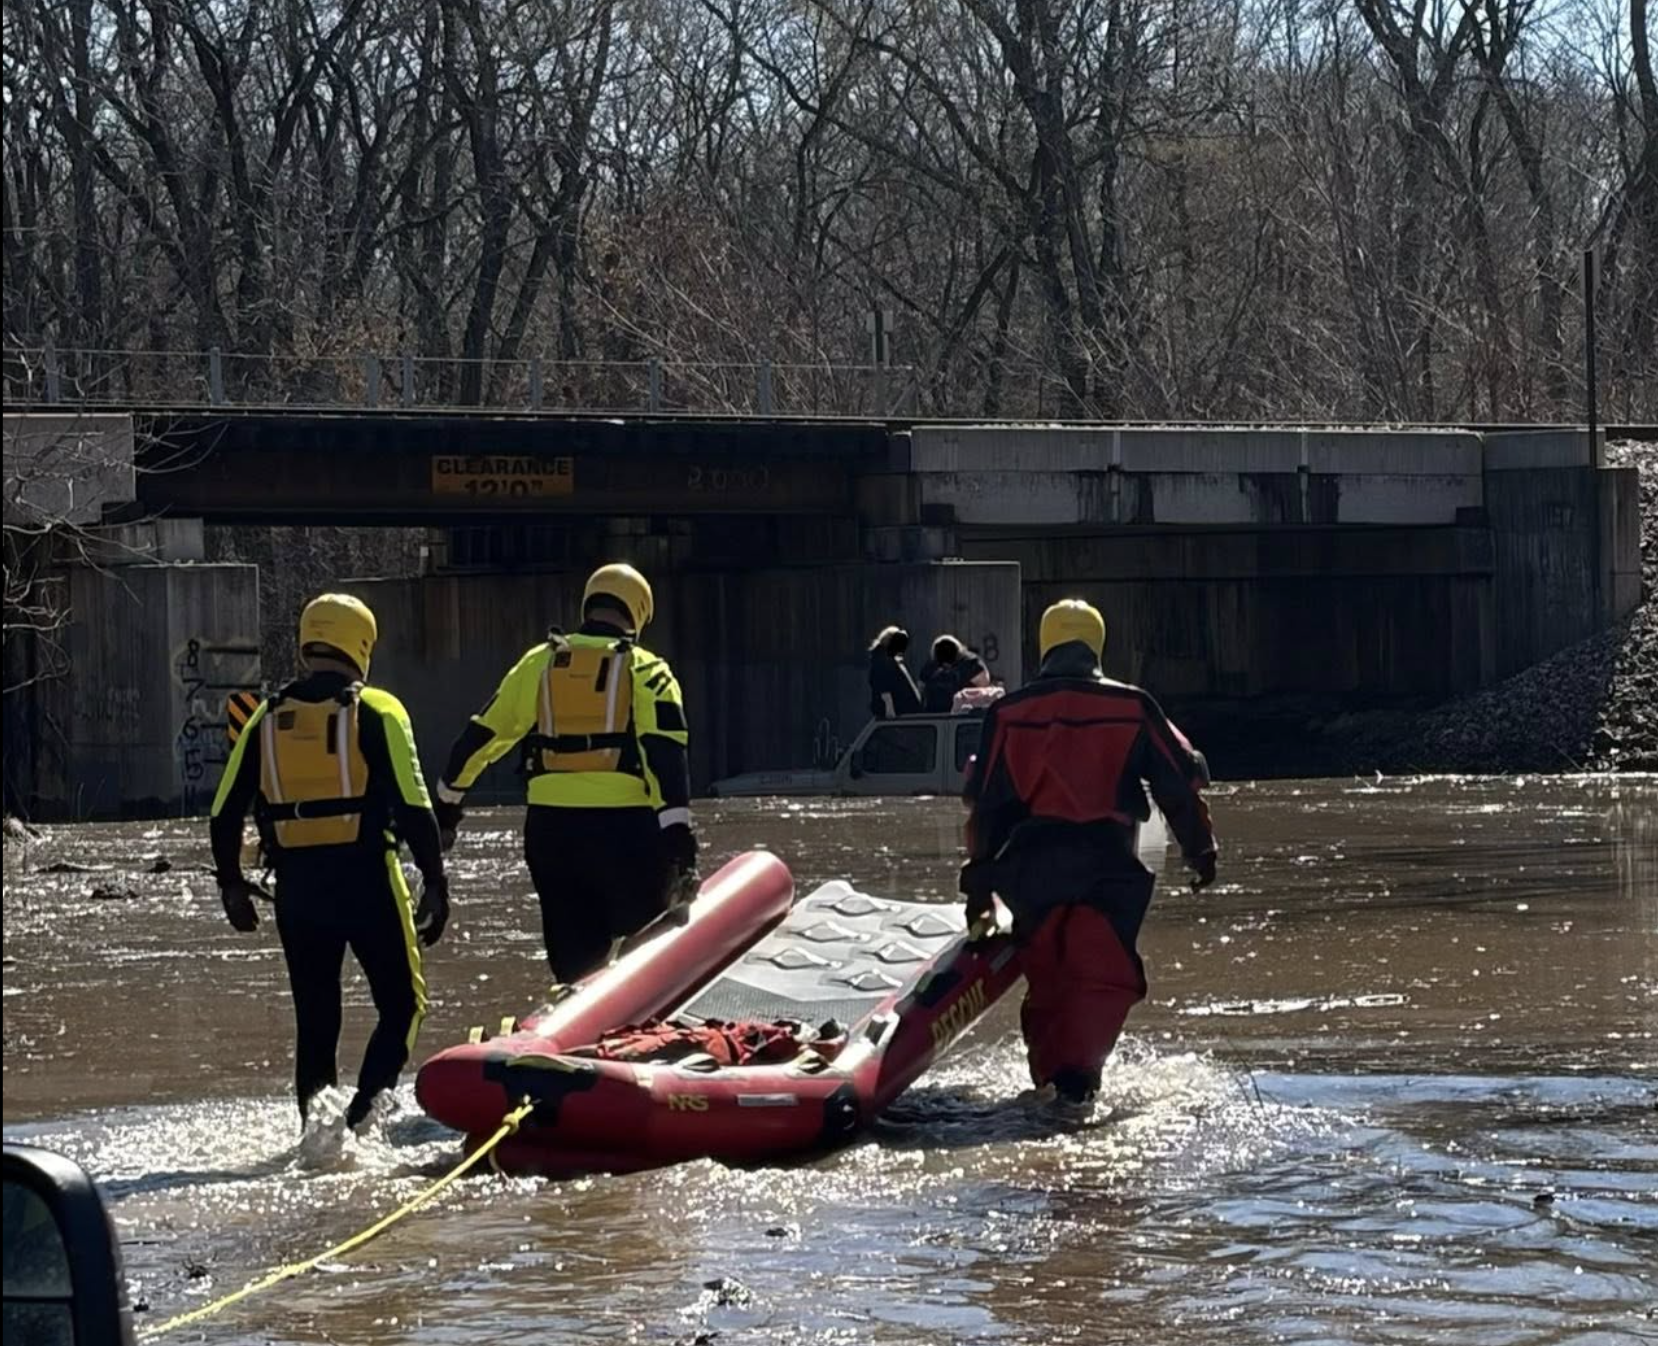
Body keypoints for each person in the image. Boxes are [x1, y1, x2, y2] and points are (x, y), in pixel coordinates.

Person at [959, 599, 1217, 1122]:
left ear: (1045, 646)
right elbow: (1180, 786)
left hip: (1029, 871)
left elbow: (984, 807)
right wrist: (1201, 852)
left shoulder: (1007, 713)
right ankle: (1078, 1089)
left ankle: (1055, 1088)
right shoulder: (1133, 705)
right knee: (1102, 973)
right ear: (1097, 646)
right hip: (1108, 866)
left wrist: (979, 889)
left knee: (1049, 974)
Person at [210, 593, 450, 1133]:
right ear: (360, 644)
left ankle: (315, 1137)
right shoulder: (378, 709)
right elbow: (415, 807)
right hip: (368, 880)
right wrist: (436, 882)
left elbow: (224, 814)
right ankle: (364, 1118)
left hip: (297, 890)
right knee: (404, 1006)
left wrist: (232, 884)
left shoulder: (265, 718)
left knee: (316, 1020)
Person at [433, 563, 696, 984]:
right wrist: (680, 843)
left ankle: (574, 1021)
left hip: (552, 836)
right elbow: (665, 755)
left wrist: (446, 809)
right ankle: (642, 1010)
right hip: (627, 837)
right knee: (652, 943)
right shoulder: (649, 670)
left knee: (575, 965)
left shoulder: (539, 663)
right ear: (639, 613)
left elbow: (478, 740)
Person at [920, 634, 990, 713]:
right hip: (935, 715)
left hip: (964, 714)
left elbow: (983, 686)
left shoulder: (972, 664)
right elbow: (922, 689)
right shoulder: (930, 667)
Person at [867, 625, 922, 719]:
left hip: (904, 712)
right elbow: (883, 686)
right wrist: (889, 708)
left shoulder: (886, 659)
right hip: (899, 713)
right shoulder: (883, 660)